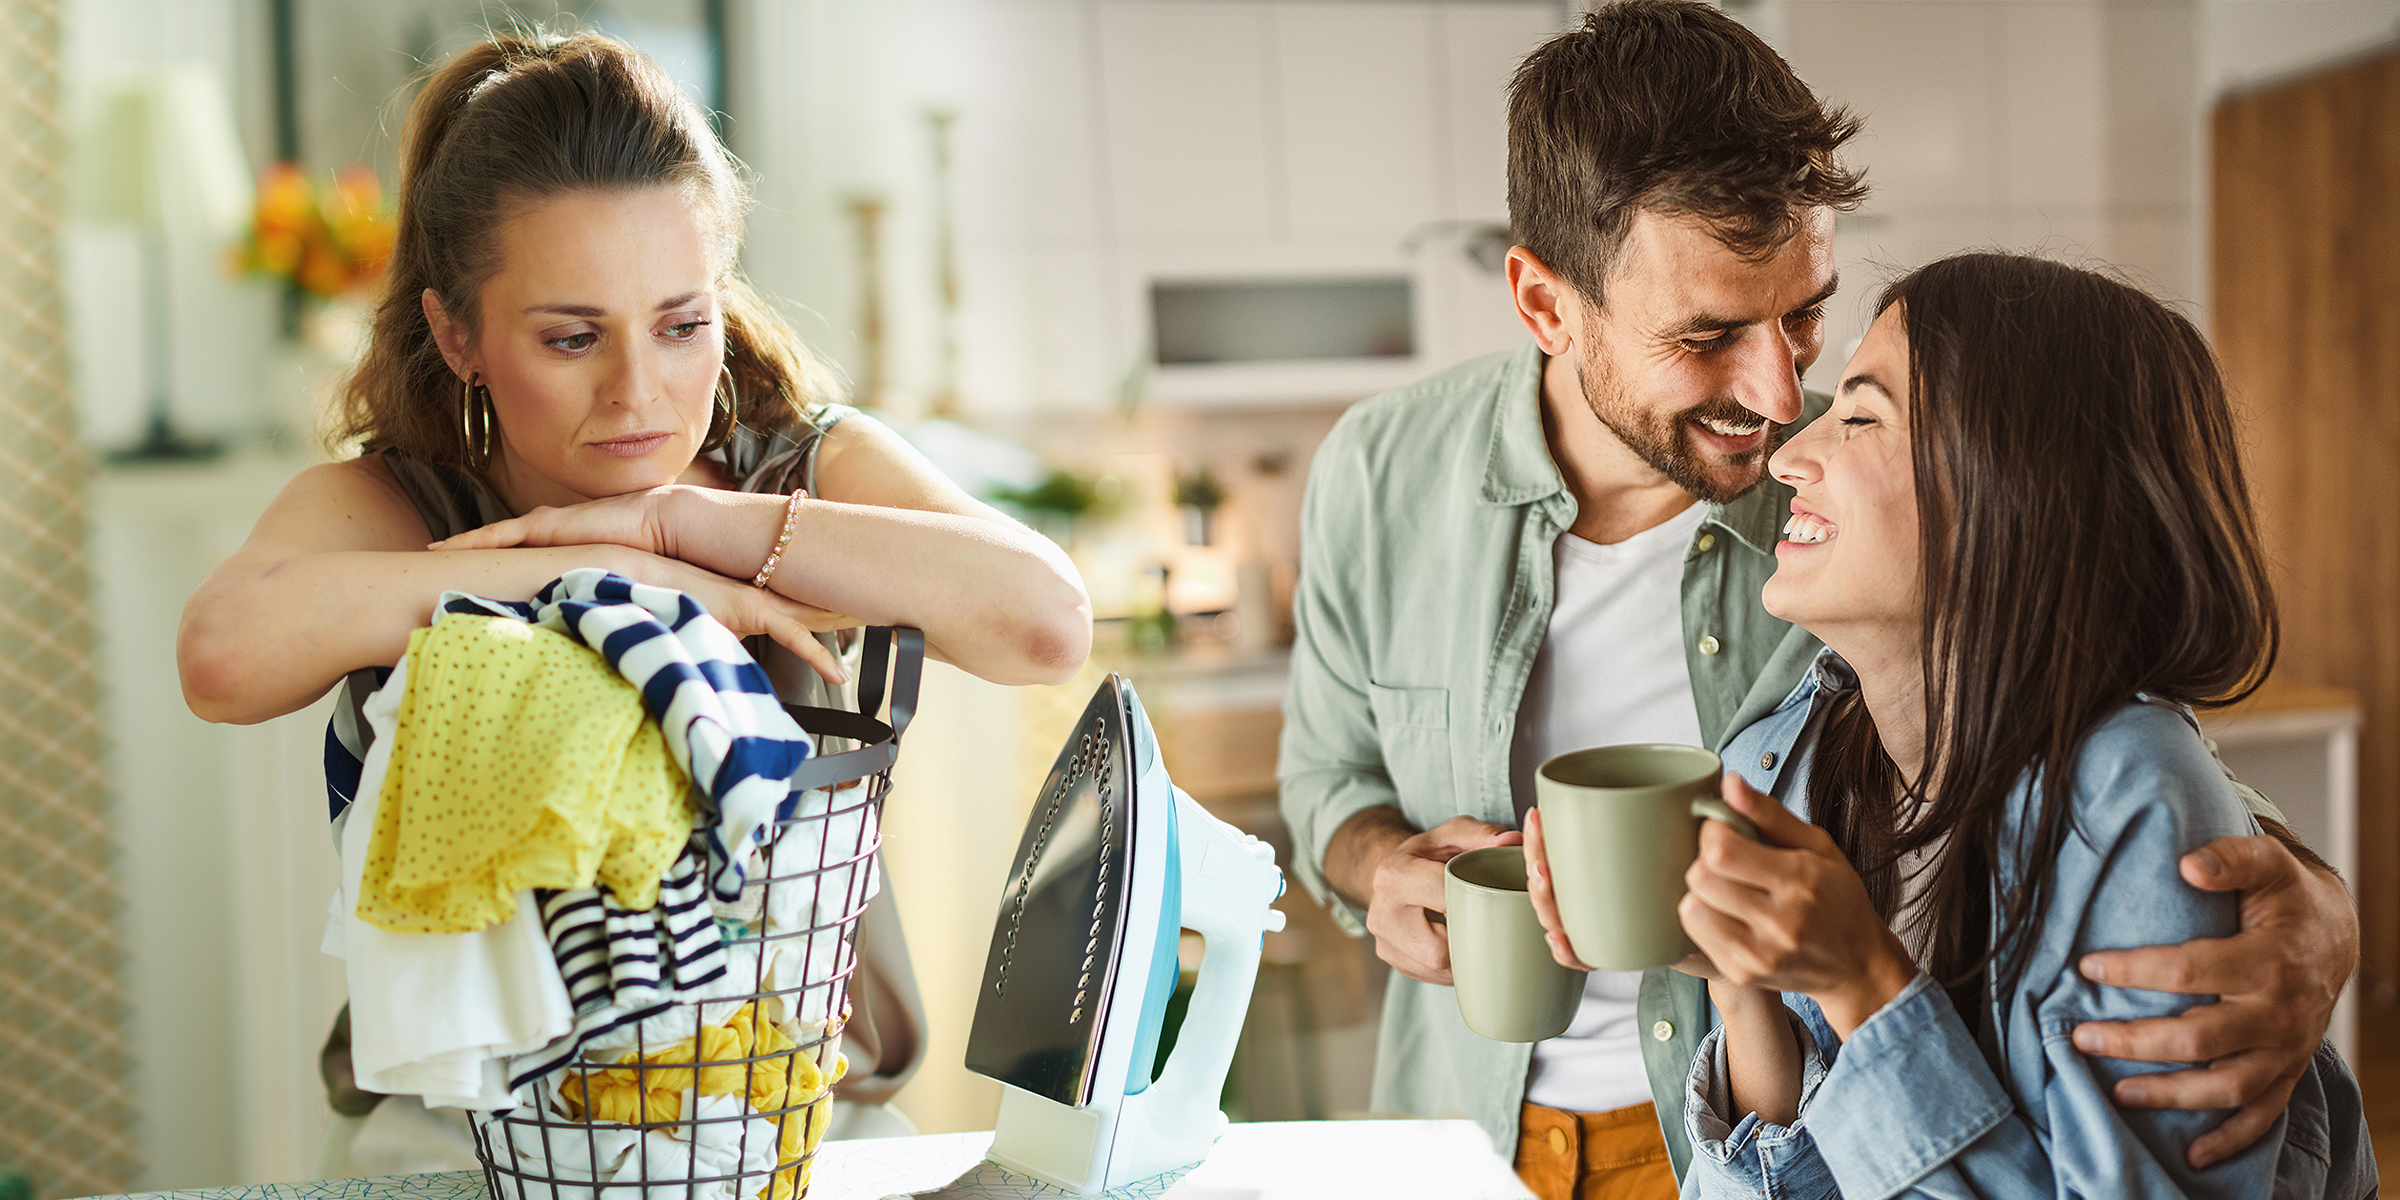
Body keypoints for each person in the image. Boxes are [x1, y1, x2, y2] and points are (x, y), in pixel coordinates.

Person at [1274, 4, 2359, 1197]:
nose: (1780, 394)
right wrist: (1377, 865)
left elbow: (2064, 721)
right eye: (1707, 335)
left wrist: (2310, 902)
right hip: (1482, 1125)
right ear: (1546, 304)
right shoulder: (1381, 473)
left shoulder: (1862, 514)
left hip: (1725, 1126)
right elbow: (1329, 776)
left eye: (1804, 314)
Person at [176, 29, 1089, 1167]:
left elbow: (1047, 623)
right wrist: (607, 573)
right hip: (467, 1139)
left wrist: (685, 525)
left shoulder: (797, 469)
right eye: (571, 338)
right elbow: (222, 657)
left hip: (803, 1115)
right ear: (456, 333)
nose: (639, 391)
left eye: (680, 324)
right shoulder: (403, 502)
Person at [1539, 252, 2374, 1198]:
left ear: (2013, 487)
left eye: (1860, 418)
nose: (1788, 453)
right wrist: (1738, 982)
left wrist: (1862, 982)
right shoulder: (1799, 758)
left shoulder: (2130, 795)